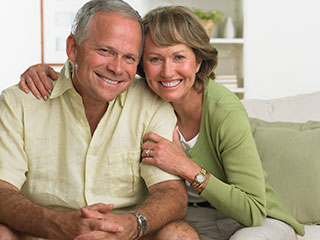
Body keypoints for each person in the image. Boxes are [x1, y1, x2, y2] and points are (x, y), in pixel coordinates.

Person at [19, 5, 305, 240]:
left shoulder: (223, 110)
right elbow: (99, 65)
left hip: (251, 221)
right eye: (155, 59)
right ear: (141, 65)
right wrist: (47, 71)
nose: (168, 72)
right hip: (189, 220)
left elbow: (252, 210)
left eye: (179, 57)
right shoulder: (140, 96)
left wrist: (187, 167)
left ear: (197, 61)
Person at [0, 1, 200, 239]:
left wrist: (132, 224)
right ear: (73, 47)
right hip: (43, 232)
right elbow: (2, 189)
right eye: (105, 51)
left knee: (179, 233)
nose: (116, 68)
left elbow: (172, 193)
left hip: (126, 233)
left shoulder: (151, 103)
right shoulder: (19, 102)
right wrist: (57, 224)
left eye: (128, 58)